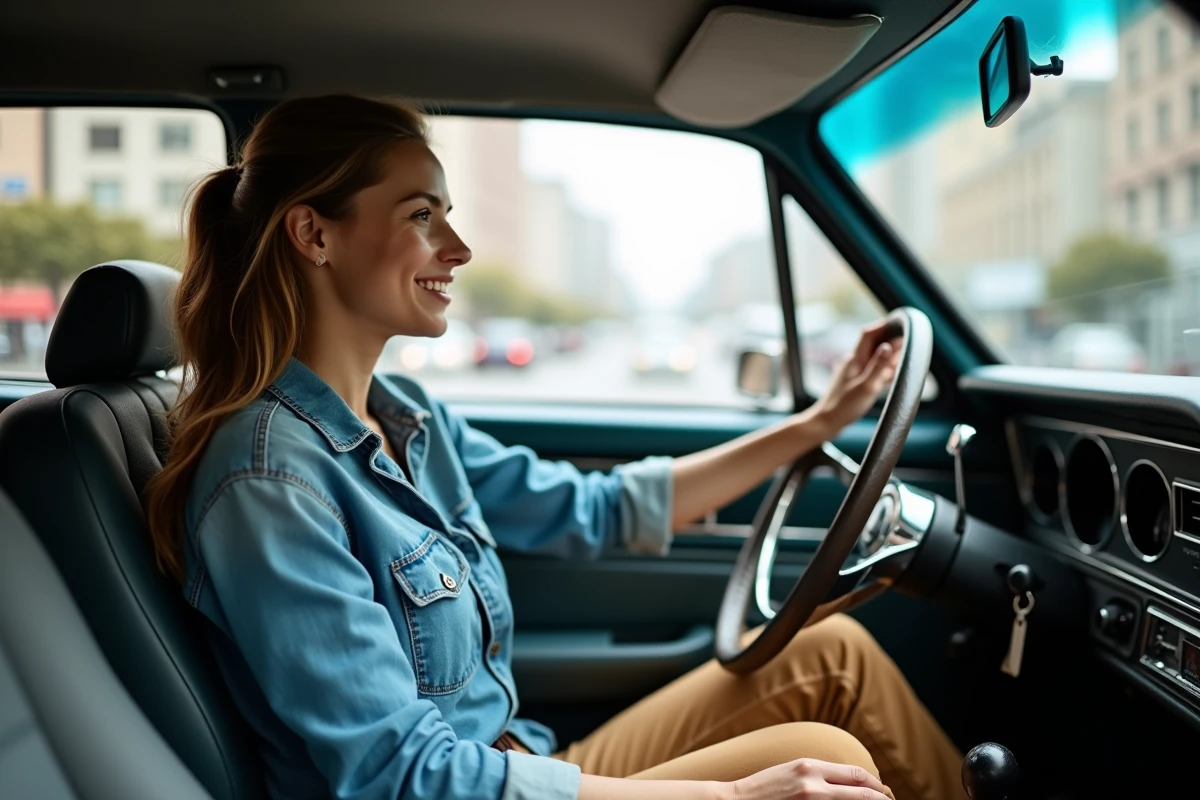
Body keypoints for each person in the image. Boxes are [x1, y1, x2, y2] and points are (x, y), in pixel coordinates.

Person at [145, 95, 962, 800]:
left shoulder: (409, 418)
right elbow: (400, 775)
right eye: (422, 216)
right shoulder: (269, 481)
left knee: (834, 653)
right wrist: (733, 795)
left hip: (519, 764)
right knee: (829, 761)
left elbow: (598, 509)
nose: (459, 248)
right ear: (313, 234)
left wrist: (816, 425)